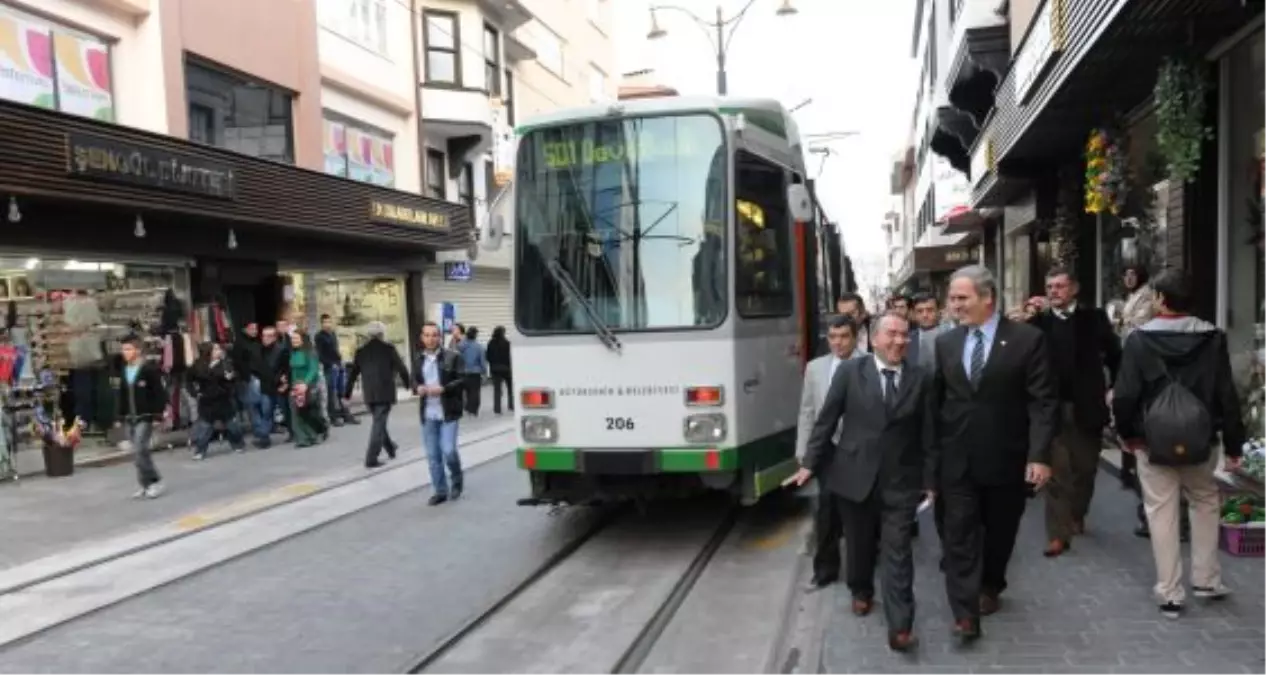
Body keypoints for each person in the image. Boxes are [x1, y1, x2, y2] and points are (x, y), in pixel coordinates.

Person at [790, 311, 937, 653]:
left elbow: (929, 434)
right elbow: (825, 422)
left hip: (901, 481)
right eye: (892, 334)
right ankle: (861, 589)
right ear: (873, 339)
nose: (899, 341)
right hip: (854, 477)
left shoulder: (921, 378)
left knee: (898, 552)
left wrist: (931, 480)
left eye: (904, 334)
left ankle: (901, 626)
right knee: (858, 545)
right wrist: (809, 463)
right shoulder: (850, 373)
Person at [928, 264, 1057, 642]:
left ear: (988, 298)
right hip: (957, 460)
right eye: (952, 298)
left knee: (1000, 531)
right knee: (957, 533)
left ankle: (990, 584)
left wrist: (1039, 456)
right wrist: (929, 460)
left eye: (962, 298)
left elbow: (1042, 403)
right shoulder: (946, 343)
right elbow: (937, 403)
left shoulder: (1027, 340)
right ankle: (965, 612)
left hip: (1006, 457)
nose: (954, 305)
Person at [1110, 269, 1245, 620]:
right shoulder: (1213, 338)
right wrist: (1234, 445)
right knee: (1205, 501)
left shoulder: (1139, 340)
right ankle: (1207, 580)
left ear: (1160, 299)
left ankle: (1170, 592)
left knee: (1160, 510)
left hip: (1153, 440)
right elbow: (1226, 395)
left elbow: (1125, 395)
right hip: (1202, 438)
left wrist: (1128, 435)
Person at [1027, 268, 1121, 557]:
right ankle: (1058, 534)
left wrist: (1115, 387)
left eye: (1060, 286)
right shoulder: (1039, 323)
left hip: (1087, 406)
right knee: (1056, 472)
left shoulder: (1094, 319)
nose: (1054, 291)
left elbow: (1116, 355)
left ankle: (1077, 513)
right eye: (1050, 287)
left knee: (1085, 468)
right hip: (1050, 408)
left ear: (1074, 289)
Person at [796, 314, 865, 590]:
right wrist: (803, 452)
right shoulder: (815, 368)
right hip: (827, 449)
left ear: (855, 337)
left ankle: (862, 574)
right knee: (825, 512)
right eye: (832, 337)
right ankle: (825, 571)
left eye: (844, 336)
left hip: (858, 451)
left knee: (858, 515)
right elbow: (807, 411)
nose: (838, 342)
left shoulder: (868, 364)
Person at [344, 321, 411, 468]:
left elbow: (353, 374)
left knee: (379, 422)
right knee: (379, 424)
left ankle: (391, 448)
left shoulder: (361, 351)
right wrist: (409, 384)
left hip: (369, 393)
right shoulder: (388, 348)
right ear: (382, 334)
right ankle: (371, 458)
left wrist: (347, 393)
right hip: (385, 392)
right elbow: (401, 368)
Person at [414, 322, 466, 505]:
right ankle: (440, 490)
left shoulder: (453, 356)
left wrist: (444, 389)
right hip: (428, 413)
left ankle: (457, 479)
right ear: (422, 338)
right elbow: (414, 380)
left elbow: (463, 380)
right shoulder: (418, 359)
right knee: (433, 455)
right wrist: (417, 388)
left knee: (449, 450)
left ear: (440, 337)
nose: (430, 339)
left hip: (448, 412)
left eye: (434, 335)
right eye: (427, 335)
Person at [115, 335, 166, 499]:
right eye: (123, 349)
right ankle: (145, 484)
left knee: (140, 449)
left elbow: (159, 393)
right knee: (138, 453)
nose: (125, 352)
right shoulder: (124, 370)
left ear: (138, 350)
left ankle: (155, 481)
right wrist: (119, 416)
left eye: (128, 349)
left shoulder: (148, 370)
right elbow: (122, 395)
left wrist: (158, 414)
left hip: (145, 416)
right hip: (130, 417)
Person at [187, 342, 246, 459]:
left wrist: (231, 379)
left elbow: (235, 378)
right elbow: (188, 380)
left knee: (232, 425)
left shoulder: (226, 363)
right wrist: (195, 393)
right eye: (216, 349)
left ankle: (238, 444)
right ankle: (200, 450)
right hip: (207, 400)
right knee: (205, 427)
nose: (219, 351)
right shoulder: (198, 365)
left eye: (219, 349)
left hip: (224, 399)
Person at [315, 313, 358, 427]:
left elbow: (336, 350)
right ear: (321, 324)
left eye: (329, 322)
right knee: (331, 393)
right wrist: (330, 364)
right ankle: (333, 417)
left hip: (339, 366)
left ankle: (346, 414)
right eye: (325, 322)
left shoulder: (333, 334)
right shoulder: (319, 336)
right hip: (329, 368)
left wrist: (340, 361)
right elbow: (320, 355)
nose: (327, 324)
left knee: (342, 392)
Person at [286, 331, 326, 448]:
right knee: (296, 413)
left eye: (297, 339)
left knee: (309, 412)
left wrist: (305, 384)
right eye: (292, 339)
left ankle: (316, 434)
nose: (294, 341)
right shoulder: (292, 353)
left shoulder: (310, 352)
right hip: (295, 386)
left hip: (309, 386)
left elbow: (313, 370)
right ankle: (302, 439)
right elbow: (293, 371)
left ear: (303, 339)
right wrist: (292, 385)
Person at [910, 292, 951, 371]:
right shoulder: (907, 340)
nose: (925, 315)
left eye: (930, 310)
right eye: (920, 311)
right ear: (914, 314)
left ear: (938, 311)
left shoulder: (951, 337)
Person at [458, 326, 487, 416]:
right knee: (475, 392)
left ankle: (467, 407)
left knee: (467, 391)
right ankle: (473, 410)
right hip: (475, 373)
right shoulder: (479, 347)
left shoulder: (460, 346)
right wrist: (484, 372)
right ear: (475, 335)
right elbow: (482, 361)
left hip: (463, 372)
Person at [486, 326, 514, 415]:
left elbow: (488, 356)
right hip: (506, 369)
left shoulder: (490, 343)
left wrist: (492, 364)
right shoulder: (507, 343)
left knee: (497, 390)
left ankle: (497, 409)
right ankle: (511, 405)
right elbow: (510, 357)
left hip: (495, 369)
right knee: (510, 388)